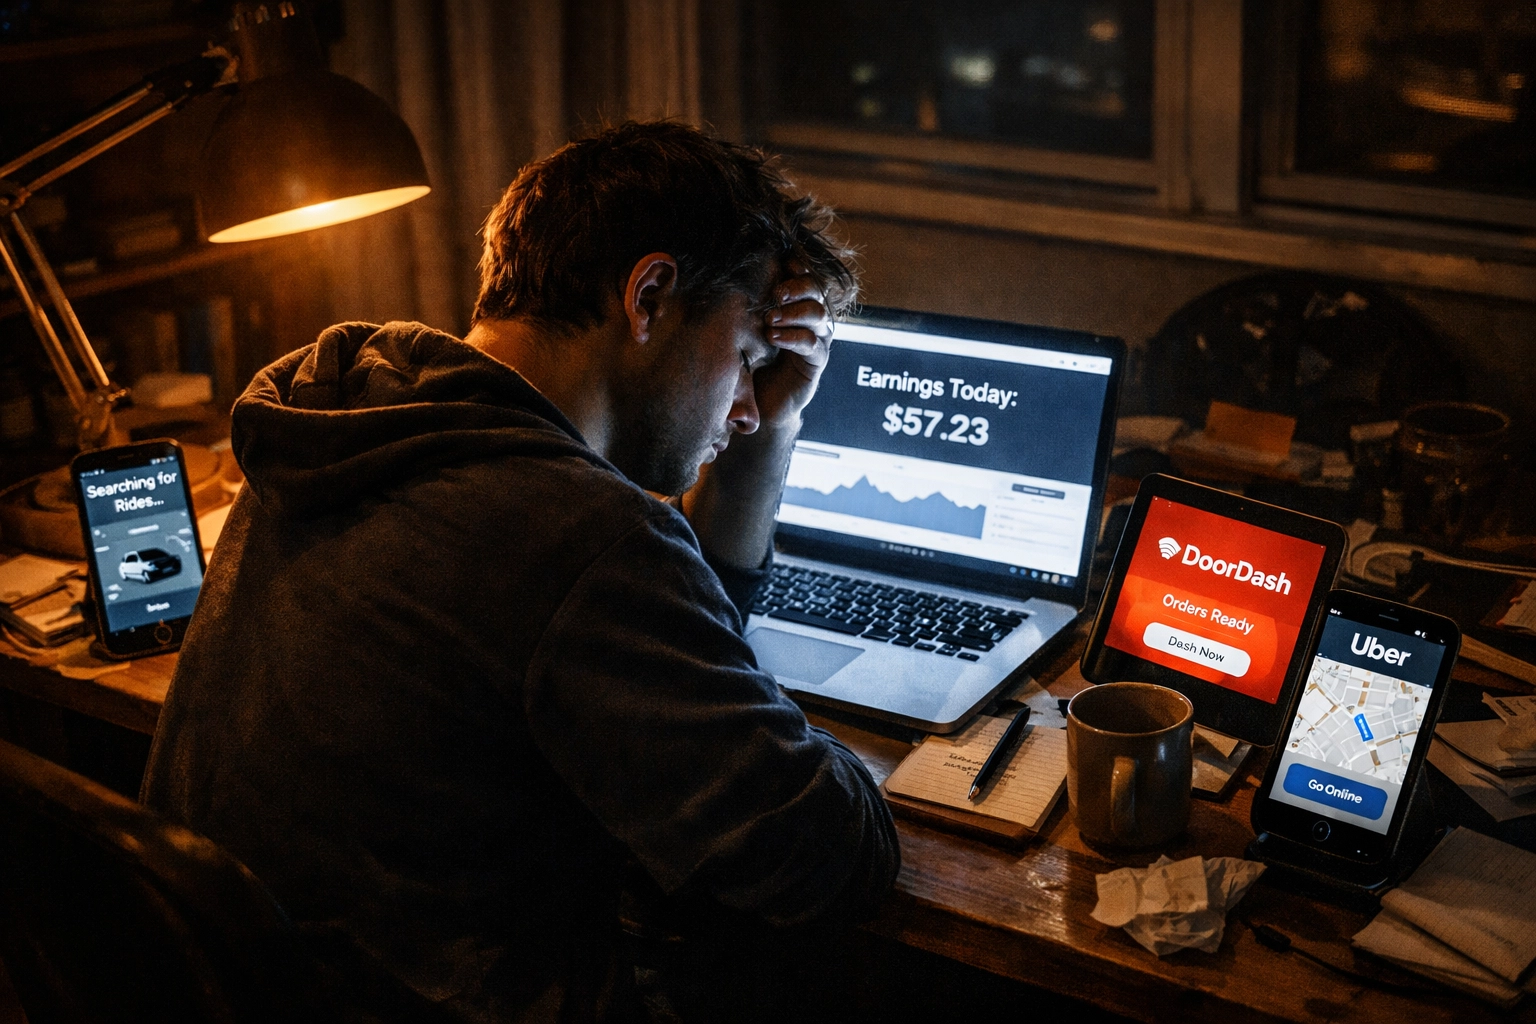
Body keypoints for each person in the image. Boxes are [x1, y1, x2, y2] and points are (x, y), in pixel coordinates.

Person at [140, 121, 900, 1023]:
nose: (743, 410)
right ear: (650, 295)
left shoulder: (343, 417)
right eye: (745, 362)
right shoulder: (579, 535)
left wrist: (768, 434)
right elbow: (822, 854)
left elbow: (671, 626)